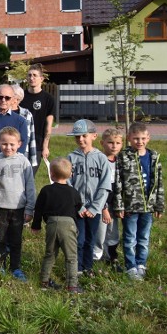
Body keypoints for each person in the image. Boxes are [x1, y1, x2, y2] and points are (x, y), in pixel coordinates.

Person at [114, 122, 165, 281]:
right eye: (136, 138)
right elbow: (118, 182)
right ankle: (131, 267)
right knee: (130, 238)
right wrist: (119, 205)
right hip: (130, 207)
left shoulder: (154, 156)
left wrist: (159, 205)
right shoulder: (123, 156)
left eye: (143, 138)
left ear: (148, 138)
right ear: (129, 138)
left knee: (144, 238)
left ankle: (141, 264)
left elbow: (159, 182)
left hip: (148, 207)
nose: (140, 142)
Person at [0, 126, 36, 281]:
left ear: (19, 144)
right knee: (0, 239)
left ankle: (16, 267)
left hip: (19, 209)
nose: (8, 147)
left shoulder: (24, 162)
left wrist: (30, 208)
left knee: (16, 240)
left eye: (12, 144)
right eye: (5, 144)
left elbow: (30, 186)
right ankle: (0, 265)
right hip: (0, 207)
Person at [30, 157, 83, 293]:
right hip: (68, 224)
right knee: (71, 256)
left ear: (51, 174)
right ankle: (72, 285)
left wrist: (36, 225)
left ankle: (44, 281)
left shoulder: (46, 190)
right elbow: (79, 207)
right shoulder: (73, 192)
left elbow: (38, 209)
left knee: (50, 253)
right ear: (70, 174)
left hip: (52, 223)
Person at [67, 119, 111, 277]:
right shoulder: (71, 157)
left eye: (84, 135)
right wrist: (79, 206)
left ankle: (88, 267)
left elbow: (105, 185)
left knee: (90, 239)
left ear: (94, 136)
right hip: (78, 209)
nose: (80, 139)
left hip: (95, 209)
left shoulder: (101, 158)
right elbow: (68, 183)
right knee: (78, 239)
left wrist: (94, 207)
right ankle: (77, 268)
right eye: (77, 136)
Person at [95, 128, 123, 268]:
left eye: (118, 143)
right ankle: (98, 257)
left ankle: (112, 257)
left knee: (113, 231)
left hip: (116, 203)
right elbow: (98, 186)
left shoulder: (121, 161)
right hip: (101, 203)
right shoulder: (99, 160)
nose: (114, 146)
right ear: (102, 143)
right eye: (110, 142)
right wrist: (104, 207)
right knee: (101, 231)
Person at [20, 64, 55, 173]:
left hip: (37, 143)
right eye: (29, 75)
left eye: (35, 75)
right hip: (20, 142)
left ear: (41, 78)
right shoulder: (20, 97)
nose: (31, 78)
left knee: (30, 174)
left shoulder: (48, 99)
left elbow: (49, 125)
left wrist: (45, 146)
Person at [10, 84, 37, 171]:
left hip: (22, 155)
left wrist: (33, 159)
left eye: (10, 95)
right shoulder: (1, 113)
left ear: (16, 99)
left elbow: (31, 136)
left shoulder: (26, 114)